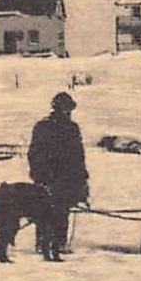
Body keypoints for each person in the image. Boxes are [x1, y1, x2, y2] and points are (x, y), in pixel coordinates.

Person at [29, 92, 89, 261]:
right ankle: (43, 244)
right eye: (64, 109)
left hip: (68, 178)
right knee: (45, 212)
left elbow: (78, 155)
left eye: (69, 109)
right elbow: (35, 153)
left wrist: (82, 179)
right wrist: (41, 176)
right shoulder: (43, 127)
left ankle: (59, 243)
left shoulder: (72, 128)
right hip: (48, 178)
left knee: (63, 212)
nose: (67, 113)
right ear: (56, 108)